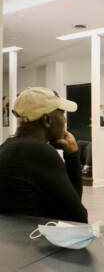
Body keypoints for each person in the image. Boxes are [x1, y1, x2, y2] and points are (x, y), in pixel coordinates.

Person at [0, 87, 88, 223]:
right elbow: (78, 218)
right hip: (32, 241)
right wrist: (73, 155)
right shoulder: (38, 152)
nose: (64, 121)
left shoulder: (6, 147)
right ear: (47, 120)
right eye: (62, 114)